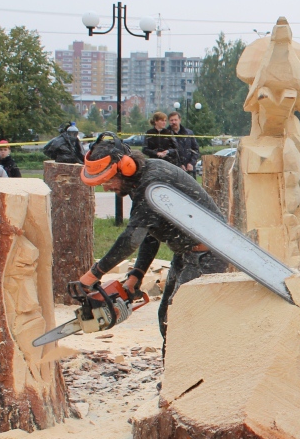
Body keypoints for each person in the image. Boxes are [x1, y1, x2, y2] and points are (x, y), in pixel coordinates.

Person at [77, 133, 228, 343]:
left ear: (126, 167)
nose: (106, 187)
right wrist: (136, 274)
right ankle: (172, 375)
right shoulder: (139, 182)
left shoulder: (153, 182)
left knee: (181, 322)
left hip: (207, 255)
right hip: (187, 253)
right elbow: (150, 232)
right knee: (167, 317)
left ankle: (191, 375)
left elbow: (131, 239)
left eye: (108, 179)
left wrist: (95, 273)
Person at [167, 111, 198, 177]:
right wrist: (178, 165)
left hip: (189, 170)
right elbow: (167, 152)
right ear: (169, 121)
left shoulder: (188, 133)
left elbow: (196, 150)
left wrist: (191, 163)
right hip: (172, 170)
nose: (174, 122)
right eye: (171, 120)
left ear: (180, 120)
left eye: (175, 120)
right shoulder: (165, 135)